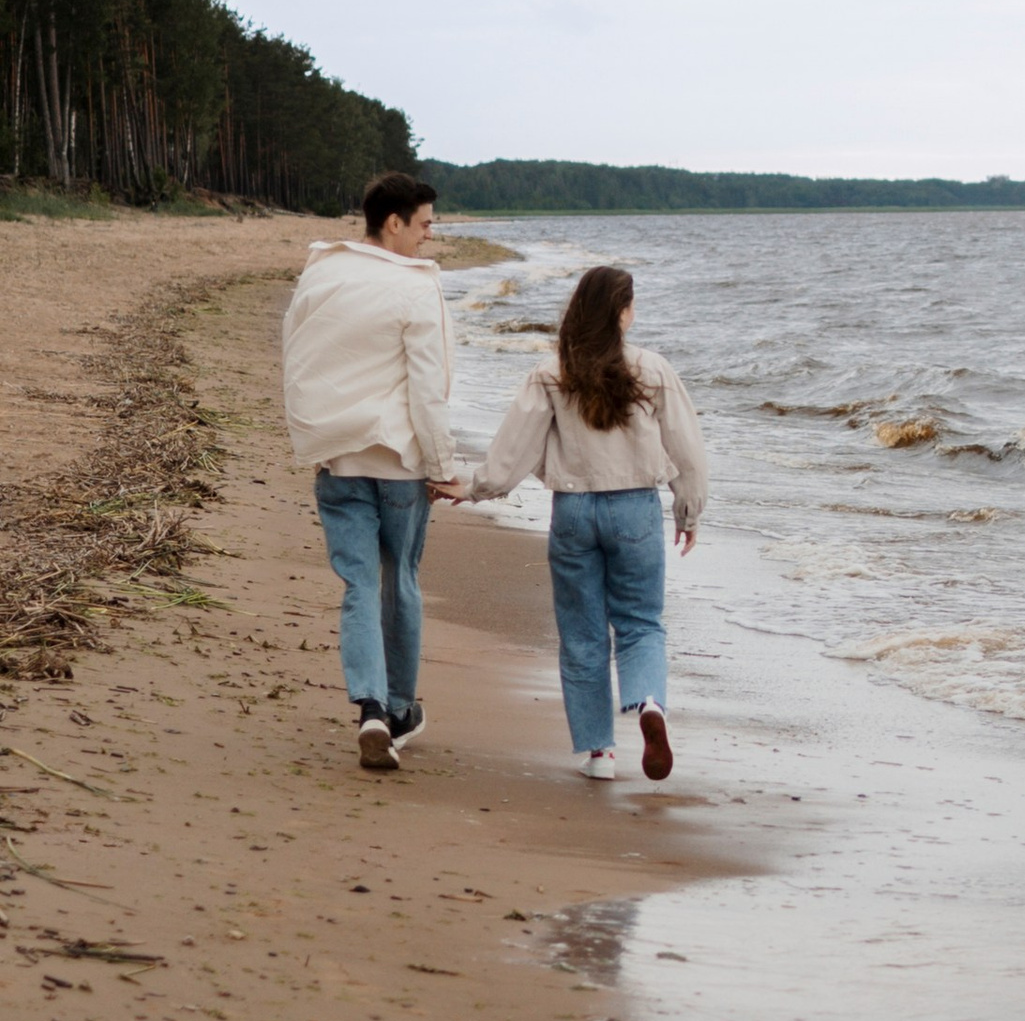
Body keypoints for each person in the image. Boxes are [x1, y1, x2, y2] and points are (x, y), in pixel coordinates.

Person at [465, 262, 706, 780]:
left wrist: (475, 487)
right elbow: (687, 448)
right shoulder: (654, 369)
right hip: (635, 509)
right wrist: (688, 509)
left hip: (573, 511)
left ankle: (599, 753)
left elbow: (514, 448)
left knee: (582, 634)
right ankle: (649, 705)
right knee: (641, 623)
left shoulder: (553, 372)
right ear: (623, 313)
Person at [279, 169, 460, 773]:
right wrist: (441, 466)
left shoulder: (322, 272)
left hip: (340, 456)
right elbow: (428, 389)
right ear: (395, 222)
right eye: (426, 224)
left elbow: (297, 351)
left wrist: (313, 435)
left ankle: (371, 709)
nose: (430, 237)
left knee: (360, 585)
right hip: (401, 462)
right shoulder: (414, 287)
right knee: (400, 579)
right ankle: (401, 709)